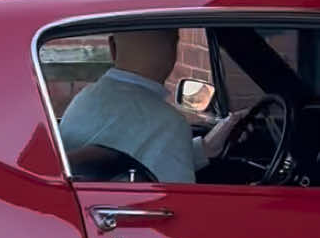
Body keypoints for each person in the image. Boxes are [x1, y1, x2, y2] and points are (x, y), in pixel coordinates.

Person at [59, 29, 241, 183]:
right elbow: (180, 203)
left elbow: (133, 160)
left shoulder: (85, 99)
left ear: (112, 48)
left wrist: (205, 148)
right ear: (173, 53)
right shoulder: (167, 122)